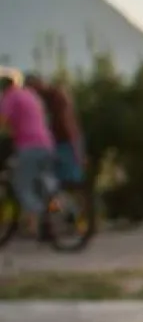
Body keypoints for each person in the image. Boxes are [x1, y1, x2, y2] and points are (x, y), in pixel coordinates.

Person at [0, 71, 58, 240]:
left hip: (29, 146)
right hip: (47, 144)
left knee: (22, 185)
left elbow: (2, 121)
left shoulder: (10, 97)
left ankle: (40, 220)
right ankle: (53, 215)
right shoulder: (30, 95)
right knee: (43, 185)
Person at [23, 73, 87, 188]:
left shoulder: (55, 96)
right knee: (57, 179)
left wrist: (76, 149)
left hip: (65, 141)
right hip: (57, 142)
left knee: (68, 180)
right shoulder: (43, 98)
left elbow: (66, 123)